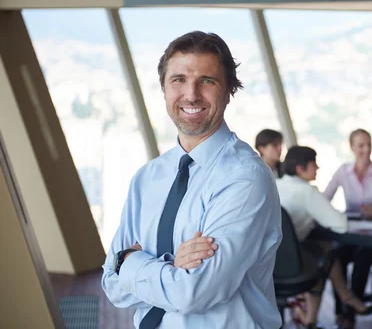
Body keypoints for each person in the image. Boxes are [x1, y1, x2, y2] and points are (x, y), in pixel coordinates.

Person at [101, 31, 282, 329]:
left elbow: (193, 293)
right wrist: (171, 266)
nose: (191, 94)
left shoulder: (246, 178)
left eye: (207, 81)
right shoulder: (148, 178)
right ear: (163, 88)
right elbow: (111, 285)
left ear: (228, 91)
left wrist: (131, 263)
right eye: (179, 80)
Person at [276, 146, 372, 328]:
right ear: (301, 168)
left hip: (271, 262)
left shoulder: (277, 184)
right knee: (324, 257)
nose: (318, 168)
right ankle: (344, 296)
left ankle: (312, 319)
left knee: (323, 248)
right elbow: (341, 225)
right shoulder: (307, 191)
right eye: (314, 163)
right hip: (292, 266)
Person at [323, 129, 372, 327]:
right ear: (352, 147)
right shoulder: (343, 172)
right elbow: (324, 199)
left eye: (369, 145)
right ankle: (344, 310)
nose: (366, 150)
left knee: (363, 259)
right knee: (336, 259)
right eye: (361, 145)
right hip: (351, 232)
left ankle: (353, 310)